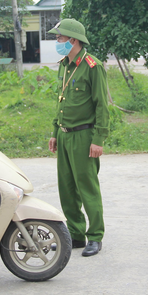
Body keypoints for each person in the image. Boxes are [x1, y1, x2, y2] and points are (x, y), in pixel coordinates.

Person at [47, 19, 110, 257]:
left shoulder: (93, 66)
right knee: (67, 188)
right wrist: (55, 132)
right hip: (64, 136)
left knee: (87, 187)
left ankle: (95, 236)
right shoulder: (65, 65)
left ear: (73, 40)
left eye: (60, 38)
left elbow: (102, 106)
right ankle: (75, 234)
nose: (57, 42)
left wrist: (99, 139)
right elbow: (61, 101)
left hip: (84, 136)